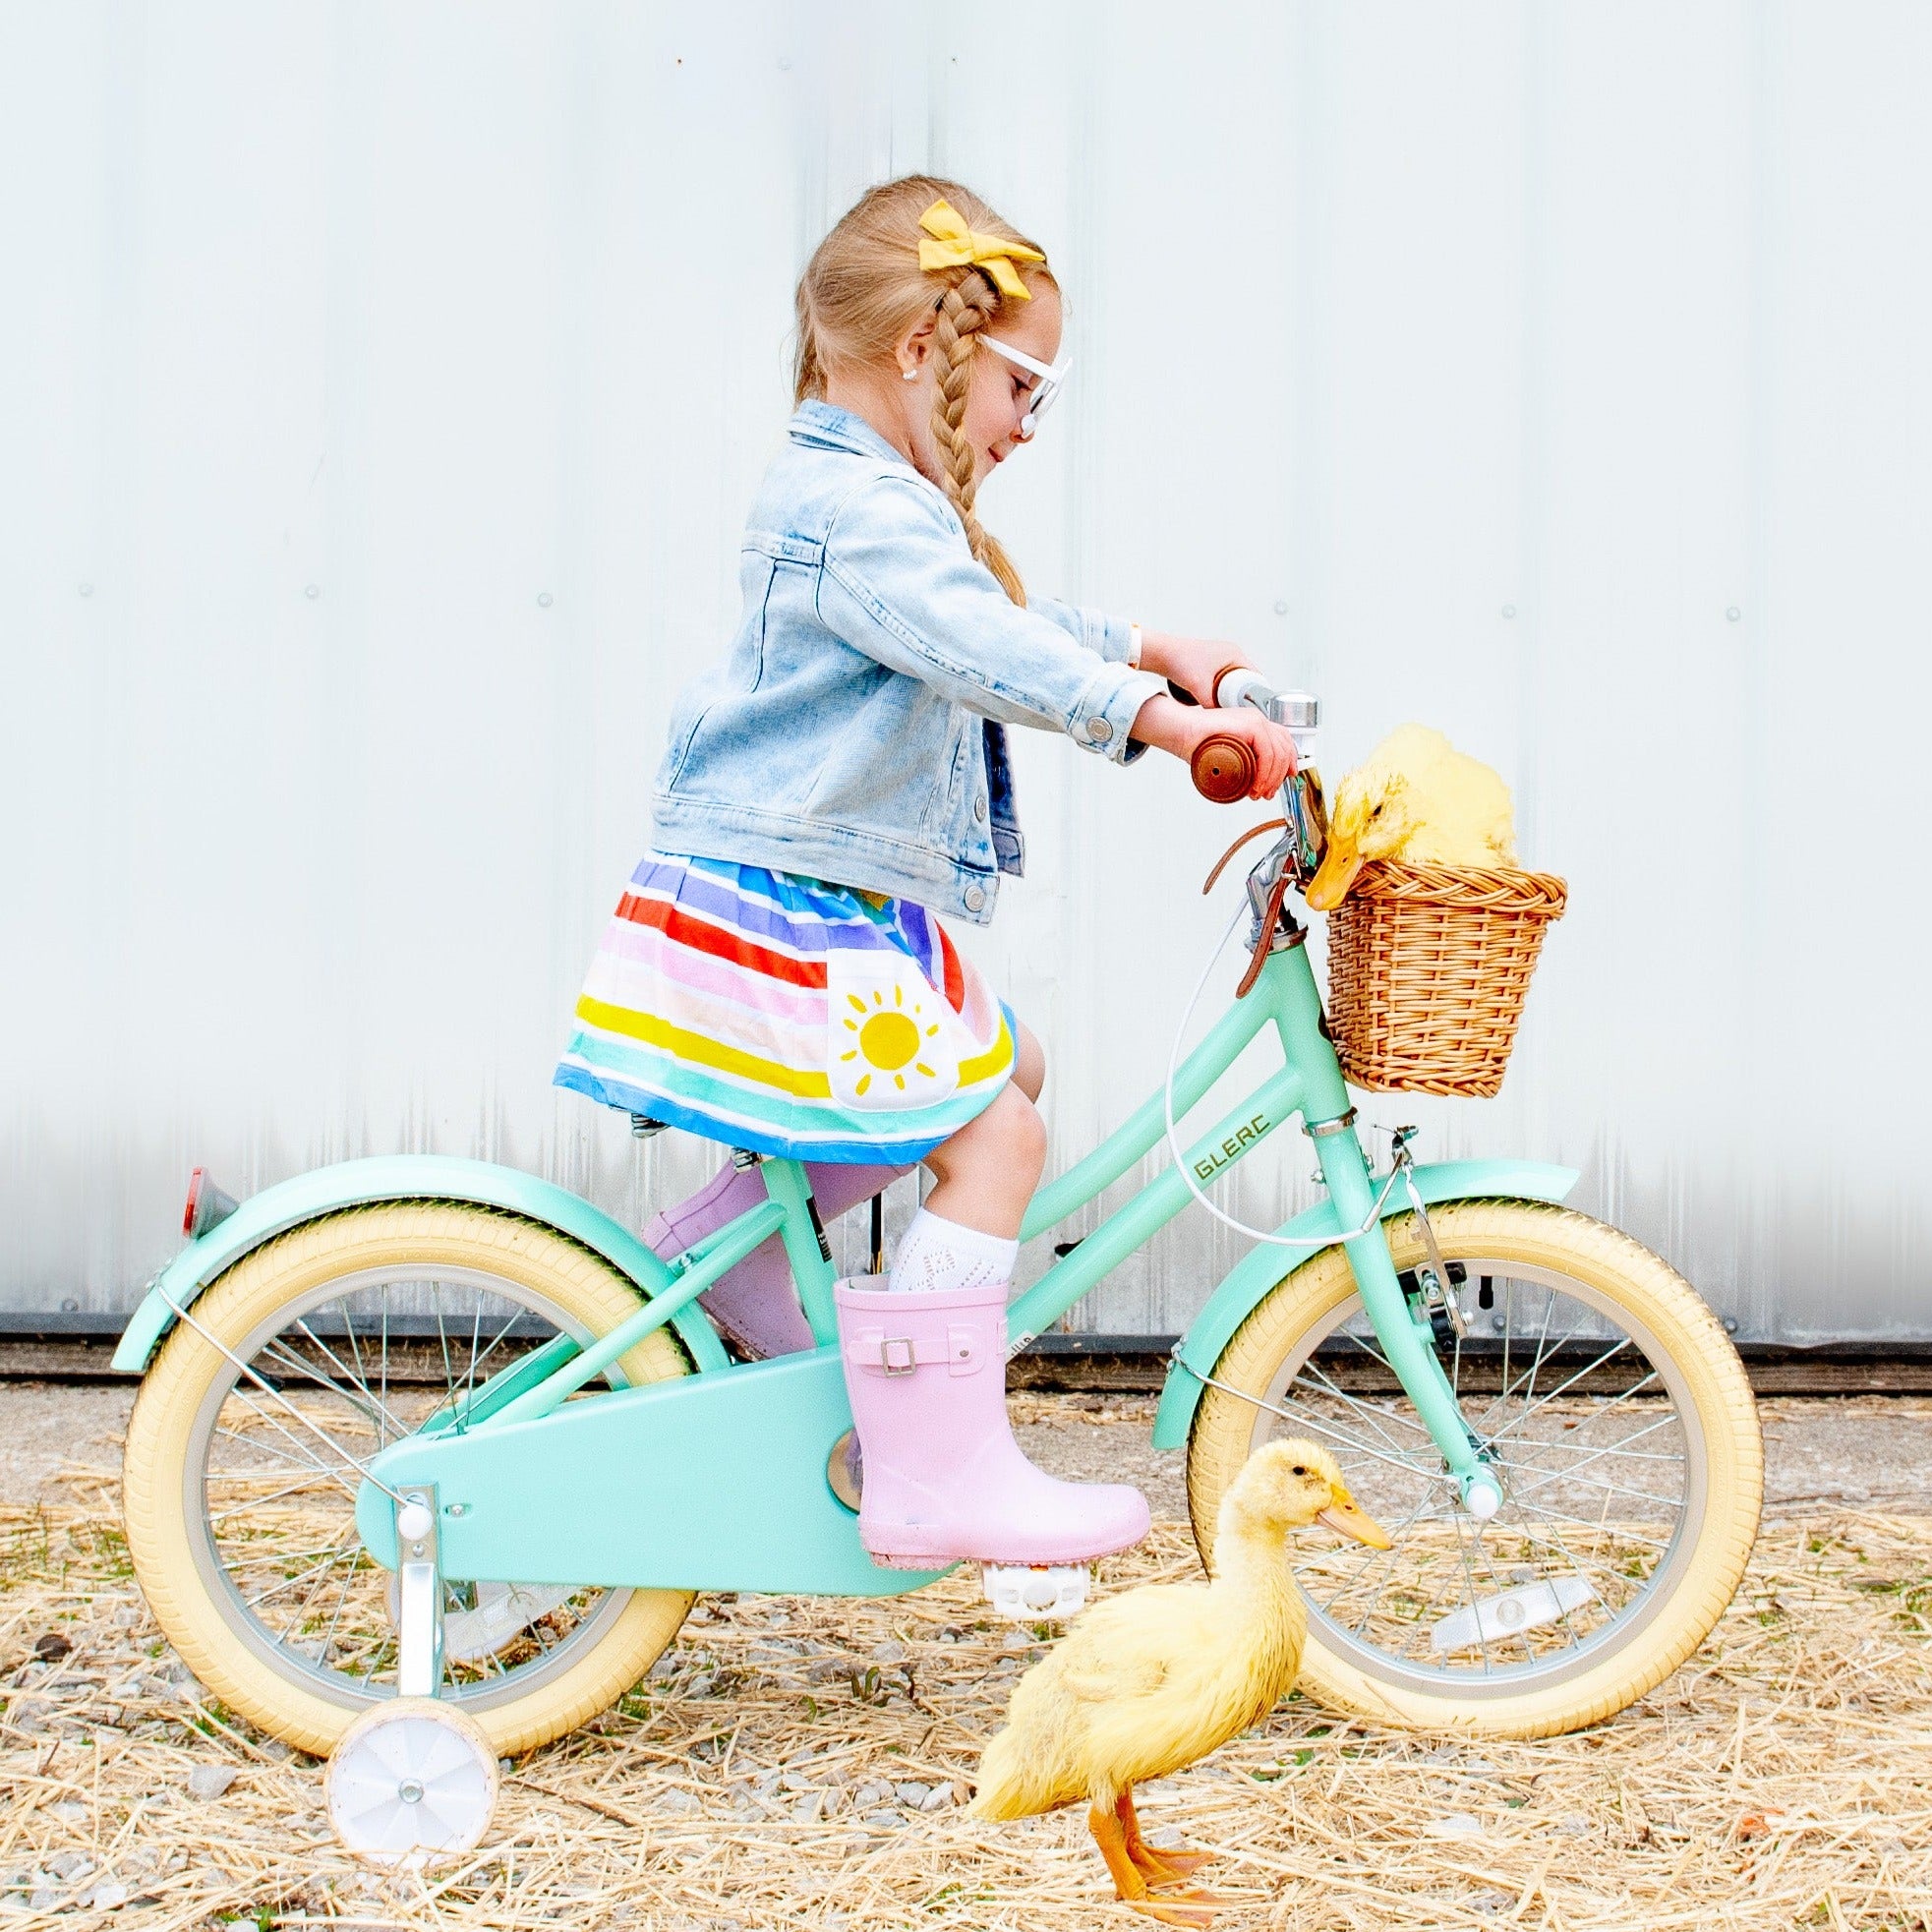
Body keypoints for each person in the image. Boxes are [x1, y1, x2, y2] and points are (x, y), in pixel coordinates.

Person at [556, 176, 1299, 1570]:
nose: (1025, 423)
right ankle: (934, 1469)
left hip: (808, 902)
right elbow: (991, 649)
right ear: (921, 354)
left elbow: (995, 620)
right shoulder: (860, 511)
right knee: (998, 1136)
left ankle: (735, 1263)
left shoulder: (871, 503)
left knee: (1003, 1070)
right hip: (789, 910)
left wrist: (1157, 648)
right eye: (1023, 385)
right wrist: (1158, 719)